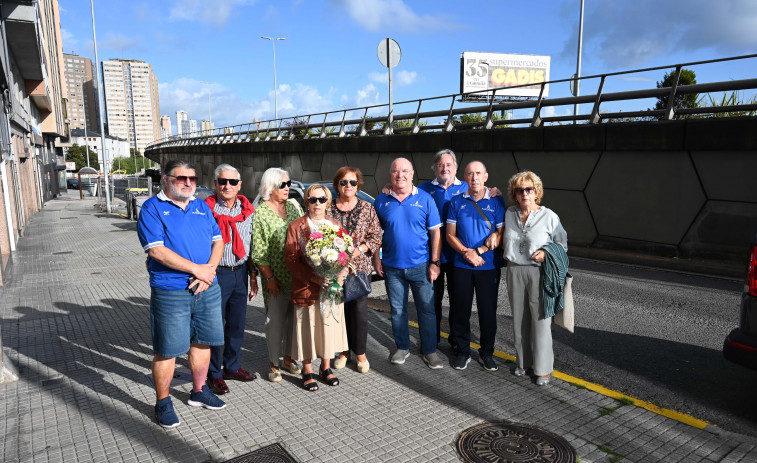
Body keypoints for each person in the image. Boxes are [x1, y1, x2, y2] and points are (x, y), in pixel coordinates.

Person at [136, 159, 227, 429]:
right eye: (181, 178)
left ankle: (198, 391)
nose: (188, 183)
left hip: (207, 287)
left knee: (203, 342)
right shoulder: (152, 208)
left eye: (192, 179)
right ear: (166, 179)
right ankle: (163, 402)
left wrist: (208, 272)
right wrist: (198, 270)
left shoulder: (201, 206)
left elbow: (218, 240)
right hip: (171, 289)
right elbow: (156, 251)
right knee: (168, 350)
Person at [374, 157, 444, 369]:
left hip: (421, 266)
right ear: (390, 175)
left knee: (427, 310)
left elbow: (436, 233)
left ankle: (429, 351)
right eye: (395, 171)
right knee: (397, 310)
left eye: (405, 171)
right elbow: (375, 234)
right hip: (392, 267)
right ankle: (402, 347)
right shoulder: (381, 200)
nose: (400, 175)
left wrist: (435, 262)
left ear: (412, 174)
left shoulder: (425, 199)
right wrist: (377, 259)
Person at [503, 171, 567, 386]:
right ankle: (523, 362)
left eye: (528, 189)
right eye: (519, 190)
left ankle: (543, 369)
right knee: (519, 320)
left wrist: (546, 252)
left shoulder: (549, 216)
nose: (524, 194)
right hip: (514, 270)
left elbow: (562, 244)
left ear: (536, 192)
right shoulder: (509, 213)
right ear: (514, 193)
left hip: (539, 271)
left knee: (541, 320)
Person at [285, 185, 349, 391]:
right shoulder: (297, 226)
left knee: (327, 328)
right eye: (313, 200)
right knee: (307, 329)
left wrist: (339, 275)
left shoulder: (335, 224)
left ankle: (325, 367)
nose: (317, 204)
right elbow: (292, 260)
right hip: (307, 287)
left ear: (328, 201)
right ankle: (307, 369)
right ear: (307, 202)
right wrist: (315, 277)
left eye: (322, 199)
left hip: (330, 287)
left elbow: (344, 253)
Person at [445, 161, 505, 371]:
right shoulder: (456, 202)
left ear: (486, 176)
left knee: (487, 312)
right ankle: (462, 351)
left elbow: (500, 234)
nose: (474, 177)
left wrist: (478, 252)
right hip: (461, 265)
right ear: (465, 177)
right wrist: (466, 253)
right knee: (460, 311)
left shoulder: (497, 200)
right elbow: (450, 235)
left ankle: (487, 352)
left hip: (488, 267)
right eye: (470, 174)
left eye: (478, 173)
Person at [204, 164, 258, 395]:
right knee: (215, 326)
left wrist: (253, 276)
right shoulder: (205, 209)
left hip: (241, 272)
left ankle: (232, 366)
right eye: (222, 181)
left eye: (232, 182)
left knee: (236, 324)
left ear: (239, 185)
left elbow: (251, 244)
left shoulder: (247, 210)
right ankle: (214, 373)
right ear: (215, 184)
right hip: (217, 273)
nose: (227, 186)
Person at [329, 167, 383, 373]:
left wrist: (357, 250)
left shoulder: (368, 208)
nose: (348, 186)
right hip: (334, 269)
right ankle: (344, 351)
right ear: (337, 185)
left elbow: (376, 236)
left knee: (359, 313)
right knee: (339, 312)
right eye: (344, 182)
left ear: (358, 185)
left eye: (352, 182)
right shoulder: (329, 208)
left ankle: (360, 353)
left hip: (358, 268)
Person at [251, 168, 302, 382]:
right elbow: (258, 251)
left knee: (294, 321)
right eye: (282, 184)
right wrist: (269, 278)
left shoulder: (292, 206)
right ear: (270, 187)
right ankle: (273, 364)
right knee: (275, 321)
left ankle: (289, 359)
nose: (287, 187)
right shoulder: (261, 212)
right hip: (276, 278)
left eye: (288, 183)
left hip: (297, 276)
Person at [417, 149, 469, 350]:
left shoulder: (466, 187)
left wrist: (494, 191)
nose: (444, 168)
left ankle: (455, 342)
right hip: (432, 256)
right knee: (431, 301)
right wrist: (388, 187)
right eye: (440, 165)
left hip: (458, 256)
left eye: (448, 165)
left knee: (457, 302)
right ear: (435, 168)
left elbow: (485, 192)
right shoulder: (423, 189)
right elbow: (403, 192)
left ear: (455, 167)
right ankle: (432, 340)